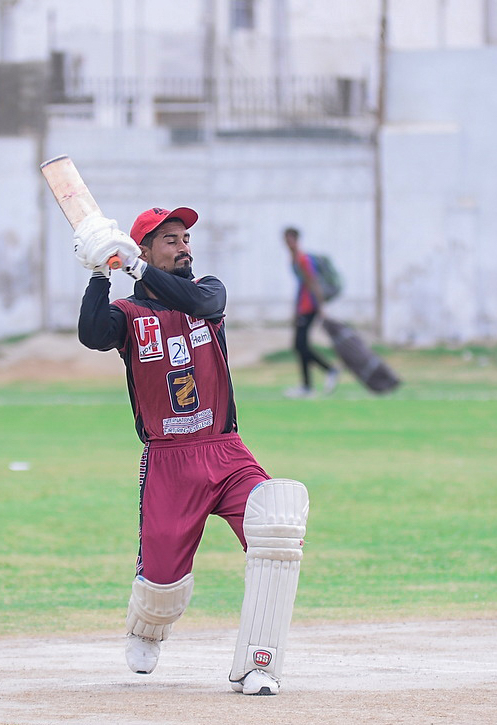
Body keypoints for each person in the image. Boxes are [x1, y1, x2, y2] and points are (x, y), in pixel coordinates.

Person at [73, 206, 310, 696]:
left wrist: (134, 266)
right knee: (161, 578)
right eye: (171, 240)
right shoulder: (129, 315)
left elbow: (199, 302)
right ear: (144, 247)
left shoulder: (207, 292)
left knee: (277, 525)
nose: (184, 248)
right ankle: (147, 628)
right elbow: (92, 334)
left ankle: (259, 663)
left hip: (225, 452)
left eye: (185, 239)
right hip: (169, 460)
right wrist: (99, 273)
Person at [283, 227, 339, 398]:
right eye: (286, 240)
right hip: (303, 306)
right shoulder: (294, 259)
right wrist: (296, 309)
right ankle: (307, 386)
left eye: (291, 239)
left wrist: (321, 306)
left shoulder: (303, 259)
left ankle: (329, 370)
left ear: (296, 240)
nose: (288, 243)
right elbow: (301, 286)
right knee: (300, 345)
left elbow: (313, 282)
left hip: (310, 306)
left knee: (300, 345)